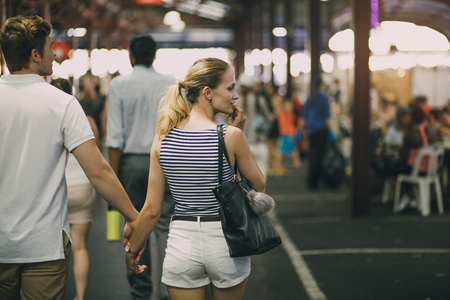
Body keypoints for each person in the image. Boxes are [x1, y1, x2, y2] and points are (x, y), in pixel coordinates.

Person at [0, 15, 138, 300]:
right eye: (51, 47)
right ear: (35, 54)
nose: (55, 53)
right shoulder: (62, 103)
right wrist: (134, 217)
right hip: (44, 246)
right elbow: (98, 171)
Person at [124, 58, 265, 300]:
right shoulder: (231, 136)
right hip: (226, 242)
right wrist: (239, 132)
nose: (236, 95)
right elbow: (258, 186)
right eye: (230, 87)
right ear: (208, 92)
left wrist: (132, 248)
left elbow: (151, 211)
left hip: (182, 243)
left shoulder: (162, 138)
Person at [106, 33, 175, 300]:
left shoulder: (119, 85)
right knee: (166, 226)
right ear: (154, 55)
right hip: (166, 160)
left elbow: (114, 137)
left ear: (131, 55)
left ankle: (141, 291)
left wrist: (112, 179)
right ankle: (172, 290)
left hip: (132, 164)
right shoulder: (171, 83)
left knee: (135, 225)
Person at [51, 78, 99, 300]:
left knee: (51, 251)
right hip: (82, 187)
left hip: (54, 189)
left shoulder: (45, 119)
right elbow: (96, 156)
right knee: (79, 247)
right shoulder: (87, 120)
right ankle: (80, 296)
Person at [236, 73, 273, 177]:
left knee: (242, 176)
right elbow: (269, 118)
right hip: (259, 141)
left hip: (242, 143)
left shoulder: (236, 102)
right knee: (261, 173)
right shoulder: (259, 100)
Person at [302, 77, 331, 189]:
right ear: (321, 85)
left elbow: (304, 115)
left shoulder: (310, 98)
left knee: (313, 155)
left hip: (311, 130)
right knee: (320, 156)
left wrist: (301, 131)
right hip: (322, 130)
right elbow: (327, 117)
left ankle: (312, 180)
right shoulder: (324, 98)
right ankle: (318, 180)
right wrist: (333, 132)